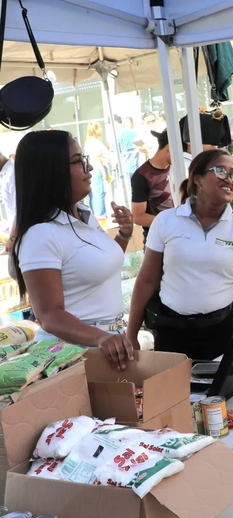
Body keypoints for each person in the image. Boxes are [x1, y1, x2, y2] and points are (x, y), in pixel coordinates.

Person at [126, 149, 233, 360]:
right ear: (198, 179)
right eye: (221, 171)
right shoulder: (166, 221)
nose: (230, 180)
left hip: (223, 332)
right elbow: (147, 280)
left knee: (223, 392)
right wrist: (131, 334)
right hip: (171, 334)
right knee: (174, 393)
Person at [13, 131, 135, 369]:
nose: (89, 168)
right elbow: (48, 314)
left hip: (104, 347)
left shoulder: (84, 215)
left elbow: (98, 268)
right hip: (71, 356)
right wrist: (102, 337)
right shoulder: (41, 233)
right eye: (78, 161)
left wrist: (124, 235)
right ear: (52, 170)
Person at [131, 129, 173, 242]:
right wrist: (172, 223)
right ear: (170, 148)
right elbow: (137, 216)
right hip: (156, 240)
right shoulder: (142, 175)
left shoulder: (176, 168)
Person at [83, 122, 111, 218]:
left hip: (97, 168)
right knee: (98, 193)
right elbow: (96, 157)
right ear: (95, 130)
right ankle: (100, 216)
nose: (101, 129)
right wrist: (103, 171)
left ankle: (98, 215)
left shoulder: (93, 141)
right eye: (99, 127)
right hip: (98, 169)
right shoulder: (93, 141)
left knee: (96, 193)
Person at [1, 151, 16, 253]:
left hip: (18, 240)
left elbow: (21, 210)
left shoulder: (11, 174)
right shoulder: (7, 173)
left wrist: (12, 238)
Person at [117, 116, 139, 185]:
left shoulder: (118, 133)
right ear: (132, 124)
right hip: (134, 165)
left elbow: (115, 152)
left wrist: (113, 169)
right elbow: (139, 148)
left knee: (127, 188)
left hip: (124, 166)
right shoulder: (135, 133)